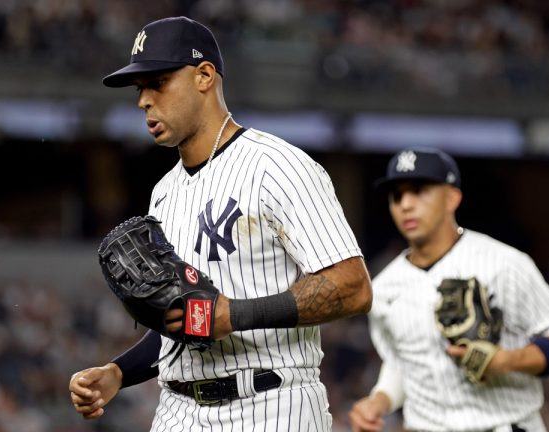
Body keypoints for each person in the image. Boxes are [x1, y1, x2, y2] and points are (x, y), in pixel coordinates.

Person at [69, 16, 373, 431]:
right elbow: (187, 317)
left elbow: (352, 286)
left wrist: (235, 315)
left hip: (272, 404)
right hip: (178, 409)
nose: (144, 100)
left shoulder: (276, 166)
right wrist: (119, 373)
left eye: (158, 82)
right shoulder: (164, 192)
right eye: (140, 89)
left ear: (204, 76)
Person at [348, 148, 549, 432]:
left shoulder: (504, 264)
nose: (405, 204)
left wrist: (507, 360)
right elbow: (403, 362)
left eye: (419, 191)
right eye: (396, 195)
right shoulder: (384, 286)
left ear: (452, 198)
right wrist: (379, 401)